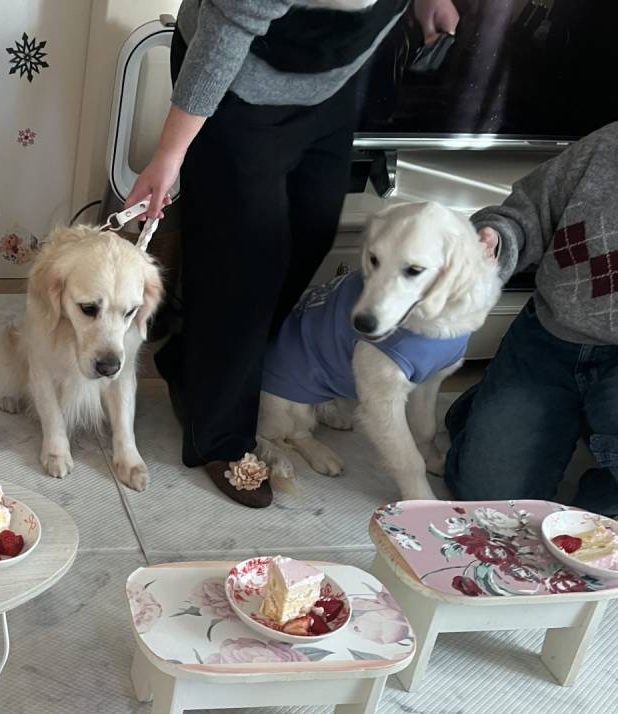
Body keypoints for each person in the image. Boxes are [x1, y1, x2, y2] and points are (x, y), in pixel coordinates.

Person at [124, 0, 459, 507]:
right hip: (241, 80)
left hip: (333, 82)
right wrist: (171, 155)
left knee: (312, 232)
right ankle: (219, 434)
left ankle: (192, 359)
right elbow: (226, 32)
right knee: (246, 262)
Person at [446, 123, 618, 517]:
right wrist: (495, 239)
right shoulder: (606, 146)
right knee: (491, 503)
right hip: (549, 339)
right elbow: (525, 213)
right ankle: (482, 406)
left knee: (598, 527)